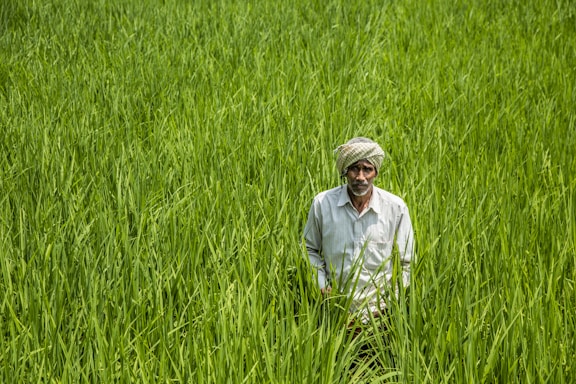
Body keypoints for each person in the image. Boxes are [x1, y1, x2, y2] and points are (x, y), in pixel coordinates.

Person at [303, 137, 414, 323]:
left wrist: (390, 302)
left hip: (382, 314)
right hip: (335, 311)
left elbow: (406, 263)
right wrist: (323, 288)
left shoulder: (395, 208)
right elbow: (309, 249)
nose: (360, 177)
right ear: (345, 171)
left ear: (376, 172)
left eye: (367, 169)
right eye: (354, 168)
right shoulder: (323, 204)